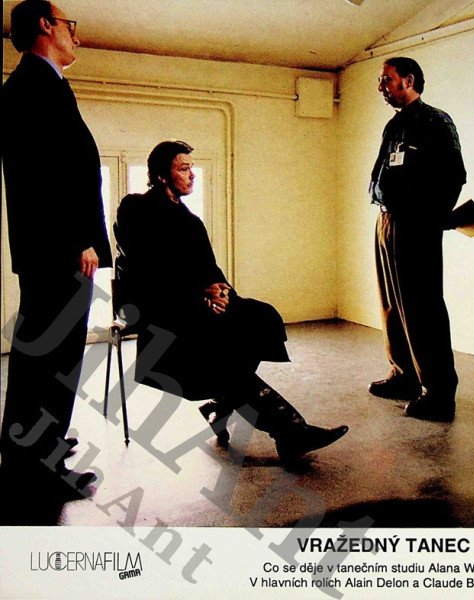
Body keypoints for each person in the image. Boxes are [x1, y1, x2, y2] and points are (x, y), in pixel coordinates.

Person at [113, 140, 348, 462]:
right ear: (161, 175)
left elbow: (208, 267)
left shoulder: (190, 220)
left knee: (260, 317)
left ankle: (221, 405)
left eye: (192, 168)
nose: (192, 175)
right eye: (184, 169)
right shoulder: (135, 208)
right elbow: (149, 267)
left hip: (194, 301)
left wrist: (222, 291)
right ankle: (290, 431)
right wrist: (201, 294)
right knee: (219, 349)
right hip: (157, 305)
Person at [0, 0, 112, 499]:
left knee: (40, 358)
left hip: (50, 249)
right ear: (46, 25)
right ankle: (38, 469)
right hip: (60, 250)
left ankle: (29, 449)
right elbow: (45, 175)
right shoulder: (34, 86)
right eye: (70, 25)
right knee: (51, 362)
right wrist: (79, 240)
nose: (77, 35)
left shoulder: (38, 84)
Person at [367, 57, 467, 422]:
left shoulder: (436, 122)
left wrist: (432, 218)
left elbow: (454, 176)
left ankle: (439, 392)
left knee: (422, 307)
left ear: (408, 81)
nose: (381, 87)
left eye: (387, 79)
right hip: (387, 219)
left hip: (416, 224)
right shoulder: (395, 125)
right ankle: (403, 375)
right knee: (392, 303)